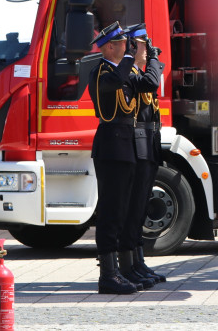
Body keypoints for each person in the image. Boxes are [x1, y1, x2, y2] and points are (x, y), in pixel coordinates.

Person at [87, 21, 159, 294]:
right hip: (111, 146)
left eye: (126, 44)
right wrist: (131, 55)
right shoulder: (100, 72)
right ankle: (108, 274)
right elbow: (116, 81)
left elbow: (149, 83)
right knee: (111, 211)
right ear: (108, 47)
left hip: (126, 146)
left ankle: (123, 268)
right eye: (120, 44)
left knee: (125, 210)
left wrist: (150, 57)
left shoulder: (124, 71)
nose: (125, 47)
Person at [119, 24, 167, 287]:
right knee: (132, 208)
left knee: (139, 209)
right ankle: (128, 264)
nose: (147, 49)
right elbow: (151, 82)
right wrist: (153, 60)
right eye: (142, 45)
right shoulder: (131, 74)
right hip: (136, 144)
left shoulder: (143, 69)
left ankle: (137, 261)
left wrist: (152, 59)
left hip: (149, 143)